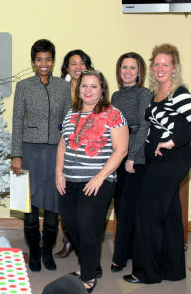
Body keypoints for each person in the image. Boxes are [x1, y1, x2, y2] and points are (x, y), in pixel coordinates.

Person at [124, 44, 191, 285]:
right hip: (158, 161)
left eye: (166, 64)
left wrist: (172, 141)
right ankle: (173, 270)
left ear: (175, 68)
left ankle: (146, 273)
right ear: (152, 67)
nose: (160, 68)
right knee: (171, 215)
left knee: (147, 213)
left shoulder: (179, 93)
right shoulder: (156, 92)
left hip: (172, 163)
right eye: (157, 63)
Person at [56, 70, 128, 293]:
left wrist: (100, 177)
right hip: (70, 181)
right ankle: (91, 264)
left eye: (93, 86)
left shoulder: (113, 113)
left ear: (102, 90)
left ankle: (88, 276)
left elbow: (121, 150)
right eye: (84, 86)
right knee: (72, 224)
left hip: (99, 180)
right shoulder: (72, 114)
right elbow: (63, 144)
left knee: (88, 226)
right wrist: (59, 172)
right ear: (79, 90)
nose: (88, 90)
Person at [11, 39, 71, 272]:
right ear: (33, 61)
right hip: (30, 151)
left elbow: (68, 122)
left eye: (47, 59)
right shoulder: (24, 86)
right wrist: (16, 154)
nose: (43, 64)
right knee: (30, 205)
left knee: (54, 205)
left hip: (56, 152)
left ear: (53, 61)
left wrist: (68, 154)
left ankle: (47, 249)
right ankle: (34, 251)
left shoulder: (63, 87)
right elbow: (17, 120)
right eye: (39, 59)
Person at [110, 53, 151, 272]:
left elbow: (144, 126)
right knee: (120, 206)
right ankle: (128, 251)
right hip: (118, 156)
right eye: (124, 67)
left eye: (132, 68)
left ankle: (119, 257)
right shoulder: (116, 96)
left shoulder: (143, 94)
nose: (127, 71)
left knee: (127, 208)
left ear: (139, 71)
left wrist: (132, 156)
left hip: (136, 158)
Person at [55, 49, 93, 258]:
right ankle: (68, 239)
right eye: (73, 64)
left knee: (81, 198)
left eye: (82, 63)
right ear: (67, 67)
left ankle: (79, 241)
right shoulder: (60, 87)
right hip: (62, 145)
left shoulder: (93, 87)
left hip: (85, 152)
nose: (78, 67)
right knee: (65, 195)